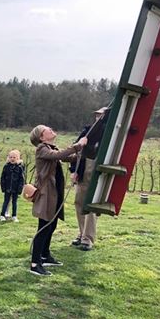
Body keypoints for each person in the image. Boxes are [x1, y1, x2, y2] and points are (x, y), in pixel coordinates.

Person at [28, 124, 87, 276]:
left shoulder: (51, 148)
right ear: (41, 137)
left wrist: (81, 152)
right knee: (44, 227)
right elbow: (58, 156)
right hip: (46, 194)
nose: (51, 128)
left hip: (54, 193)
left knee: (52, 225)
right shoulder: (42, 148)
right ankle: (35, 264)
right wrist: (78, 145)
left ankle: (45, 255)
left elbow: (67, 157)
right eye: (46, 129)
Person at [71, 107, 108, 251]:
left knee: (91, 204)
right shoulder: (87, 131)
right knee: (79, 202)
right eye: (97, 115)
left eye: (101, 115)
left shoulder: (109, 134)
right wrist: (73, 170)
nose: (98, 117)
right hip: (83, 171)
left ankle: (88, 239)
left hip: (97, 172)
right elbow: (77, 150)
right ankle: (81, 234)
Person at [0, 149, 25, 222]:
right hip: (7, 188)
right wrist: (3, 187)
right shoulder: (6, 167)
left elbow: (21, 179)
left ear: (17, 158)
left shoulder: (19, 167)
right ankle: (2, 215)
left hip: (15, 189)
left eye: (14, 157)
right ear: (8, 158)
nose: (12, 159)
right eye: (11, 157)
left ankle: (14, 216)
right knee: (6, 201)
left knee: (14, 202)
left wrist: (20, 189)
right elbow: (2, 177)